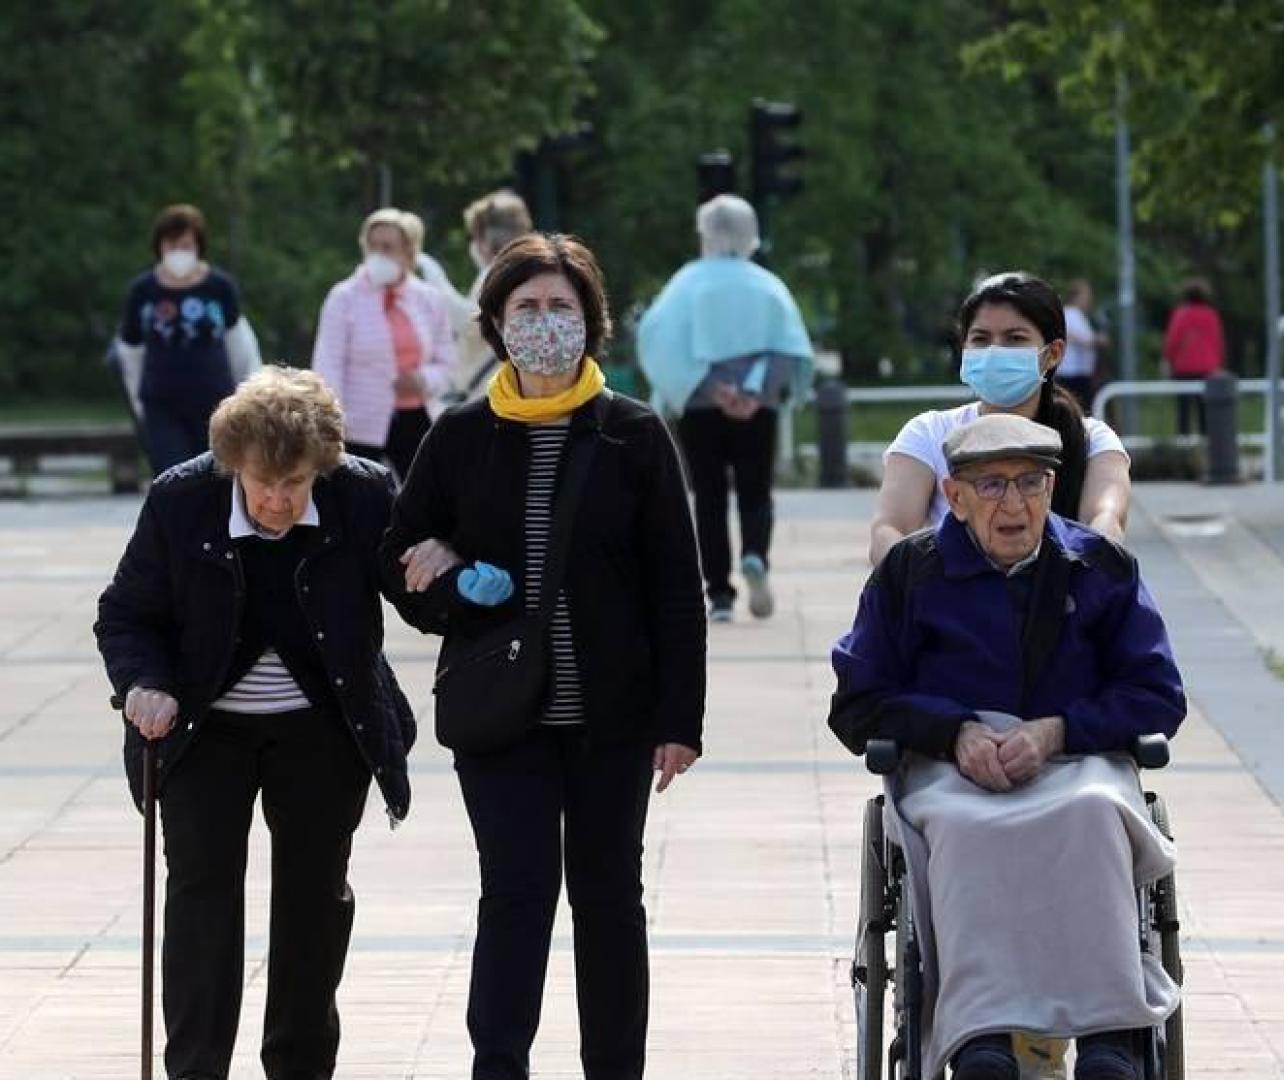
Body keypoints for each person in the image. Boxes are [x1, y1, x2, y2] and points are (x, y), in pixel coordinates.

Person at [382, 233, 706, 1079]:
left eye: (562, 307)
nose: (544, 322)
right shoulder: (458, 437)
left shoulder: (633, 436)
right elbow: (400, 558)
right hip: (503, 716)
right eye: (526, 307)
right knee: (516, 896)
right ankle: (499, 1066)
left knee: (608, 902)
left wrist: (680, 720)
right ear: (495, 322)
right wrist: (455, 587)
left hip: (614, 716)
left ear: (591, 322)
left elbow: (677, 584)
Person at [831, 413, 1186, 1080]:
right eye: (990, 485)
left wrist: (1060, 730)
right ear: (954, 494)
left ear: (1053, 488)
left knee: (1092, 813)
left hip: (1078, 759)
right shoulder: (912, 573)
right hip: (951, 768)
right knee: (965, 828)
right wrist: (953, 732)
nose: (1014, 503)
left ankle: (1112, 1034)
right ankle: (979, 1033)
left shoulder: (1097, 566)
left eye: (1030, 482)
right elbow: (855, 700)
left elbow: (1158, 692)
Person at [94, 367, 415, 1080]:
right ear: (232, 466)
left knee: (313, 901)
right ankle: (197, 1069)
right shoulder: (182, 500)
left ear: (321, 468)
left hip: (322, 726)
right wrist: (144, 684)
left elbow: (414, 594)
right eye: (261, 484)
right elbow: (126, 613)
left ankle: (299, 1068)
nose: (276, 500)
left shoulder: (362, 494)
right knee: (203, 894)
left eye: (294, 484)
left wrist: (443, 566)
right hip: (204, 727)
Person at [869, 273, 1131, 566]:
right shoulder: (928, 433)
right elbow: (888, 530)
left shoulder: (1091, 440)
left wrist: (1091, 567)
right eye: (981, 339)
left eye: (1014, 339)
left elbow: (1105, 522)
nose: (995, 351)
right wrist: (925, 585)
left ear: (1053, 353)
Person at [637, 195, 813, 623]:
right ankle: (755, 554)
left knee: (709, 496)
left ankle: (718, 594)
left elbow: (655, 339)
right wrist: (753, 391)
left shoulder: (686, 283)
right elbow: (789, 345)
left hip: (699, 405)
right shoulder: (767, 284)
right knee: (755, 491)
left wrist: (711, 388)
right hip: (758, 407)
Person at [115, 204, 259, 475]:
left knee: (217, 477)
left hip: (216, 402)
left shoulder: (219, 287)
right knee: (174, 475)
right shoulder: (143, 291)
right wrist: (138, 398)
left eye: (185, 244)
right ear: (159, 246)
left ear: (198, 246)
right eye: (171, 245)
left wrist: (248, 394)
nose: (178, 252)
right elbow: (130, 351)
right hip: (162, 403)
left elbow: (239, 345)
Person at [311, 208, 456, 477]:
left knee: (424, 495)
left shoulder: (429, 299)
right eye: (372, 246)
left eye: (388, 247)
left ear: (409, 252)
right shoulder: (343, 298)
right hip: (357, 423)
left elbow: (447, 360)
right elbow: (328, 364)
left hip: (416, 416)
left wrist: (423, 379)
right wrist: (329, 421)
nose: (378, 254)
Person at [443, 191, 534, 407]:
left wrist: (434, 280)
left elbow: (468, 321)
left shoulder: (495, 273)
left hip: (492, 391)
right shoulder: (526, 272)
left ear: (485, 239)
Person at [1161, 279, 1225, 437]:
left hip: (1184, 367)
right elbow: (1217, 342)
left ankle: (1184, 444)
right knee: (1205, 409)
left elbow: (1173, 340)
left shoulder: (1181, 314)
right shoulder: (1211, 315)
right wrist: (1218, 363)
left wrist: (1167, 359)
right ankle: (1205, 441)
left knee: (1183, 409)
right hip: (1207, 368)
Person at [1058, 278, 1108, 411]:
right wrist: (1099, 340)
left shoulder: (1074, 315)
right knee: (1080, 410)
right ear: (1076, 296)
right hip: (1073, 374)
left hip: (1077, 373)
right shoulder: (1071, 314)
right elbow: (1085, 340)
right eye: (1086, 296)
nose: (1089, 300)